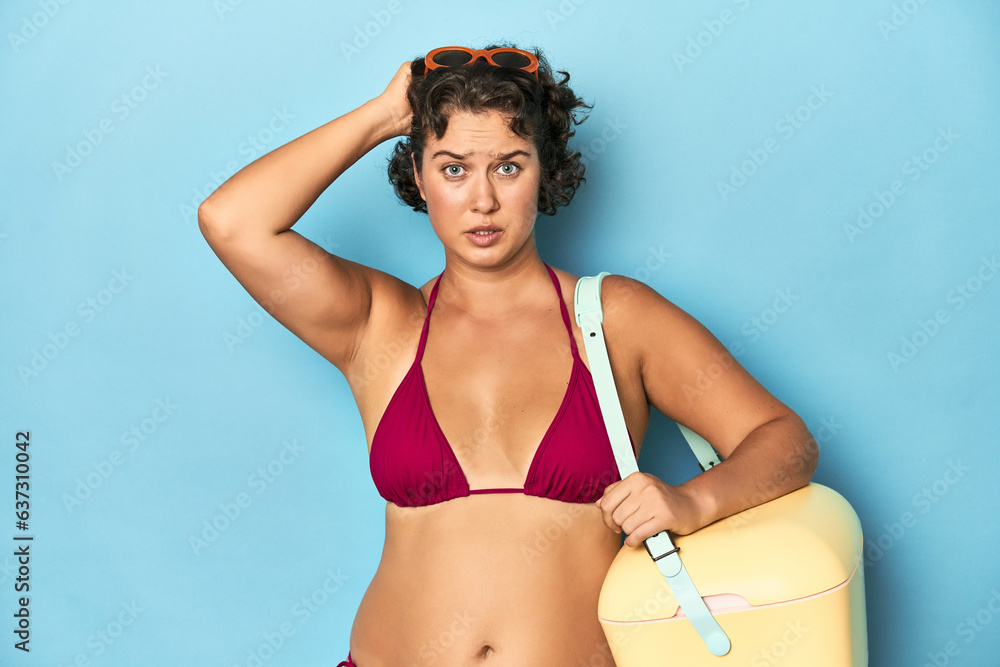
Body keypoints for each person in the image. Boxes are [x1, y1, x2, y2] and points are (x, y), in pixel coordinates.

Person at [198, 42, 818, 667]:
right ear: (419, 176)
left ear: (543, 171)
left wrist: (693, 501)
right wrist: (387, 114)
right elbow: (232, 221)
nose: (483, 201)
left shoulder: (614, 318)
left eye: (508, 166)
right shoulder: (379, 325)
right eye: (453, 168)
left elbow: (785, 439)